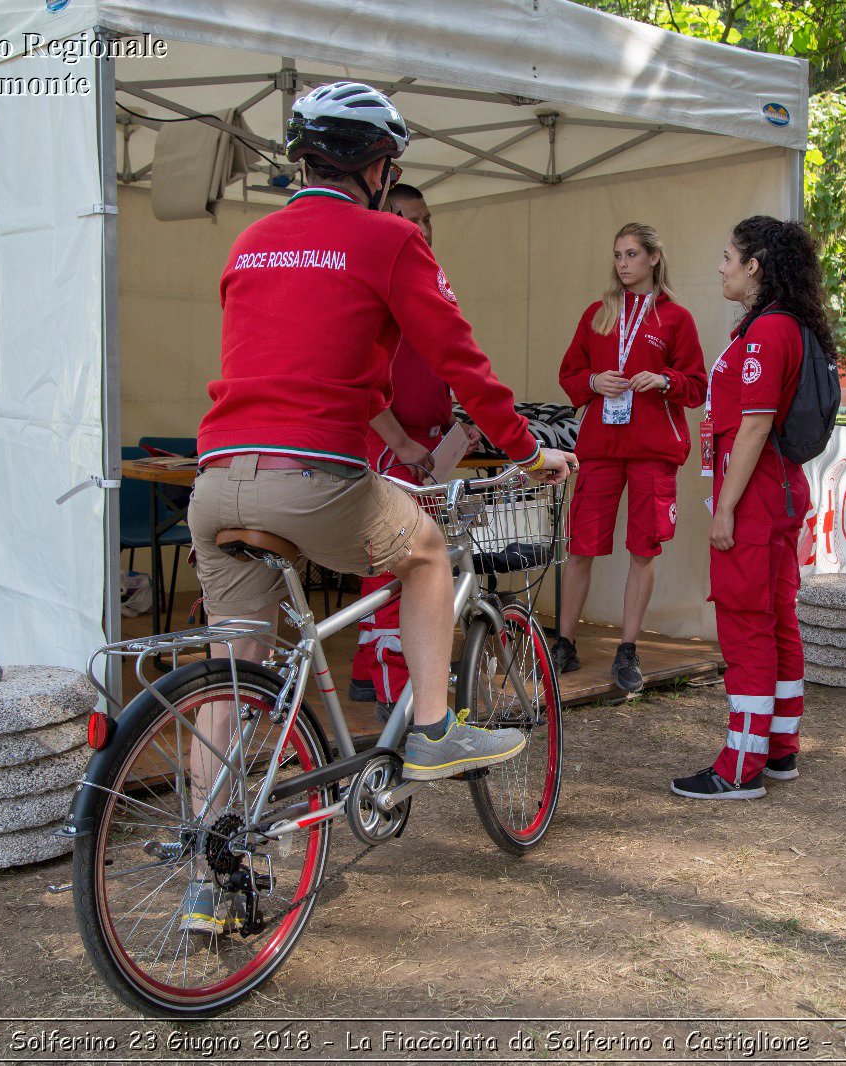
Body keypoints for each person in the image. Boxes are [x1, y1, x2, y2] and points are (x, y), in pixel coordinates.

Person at [184, 82, 575, 930]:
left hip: (216, 479)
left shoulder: (251, 243)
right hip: (314, 477)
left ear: (304, 159)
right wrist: (524, 449)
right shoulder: (390, 239)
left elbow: (285, 358)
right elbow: (462, 362)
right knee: (428, 551)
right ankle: (433, 726)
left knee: (233, 667)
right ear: (379, 164)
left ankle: (206, 874)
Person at [670, 216, 824, 801]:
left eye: (728, 256)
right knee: (777, 620)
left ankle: (740, 763)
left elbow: (755, 425)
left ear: (755, 266)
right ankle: (779, 748)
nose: (721, 267)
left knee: (746, 624)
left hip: (756, 499)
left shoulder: (765, 334)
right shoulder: (783, 325)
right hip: (777, 492)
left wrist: (723, 509)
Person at [553, 223, 705, 692]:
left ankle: (628, 649)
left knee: (644, 549)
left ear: (654, 258)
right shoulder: (598, 314)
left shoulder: (675, 318)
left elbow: (697, 386)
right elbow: (570, 373)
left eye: (632, 254)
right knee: (581, 547)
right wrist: (593, 383)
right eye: (617, 254)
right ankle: (564, 644)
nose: (623, 263)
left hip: (652, 452)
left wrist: (664, 381)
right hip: (600, 449)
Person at [349, 184, 480, 720]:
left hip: (424, 444)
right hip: (390, 447)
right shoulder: (374, 274)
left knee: (395, 563)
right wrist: (398, 440)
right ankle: (394, 697)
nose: (421, 229)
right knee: (398, 568)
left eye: (427, 219)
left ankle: (367, 672)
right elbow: (356, 375)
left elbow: (444, 363)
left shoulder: (425, 280)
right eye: (409, 217)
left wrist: (456, 424)